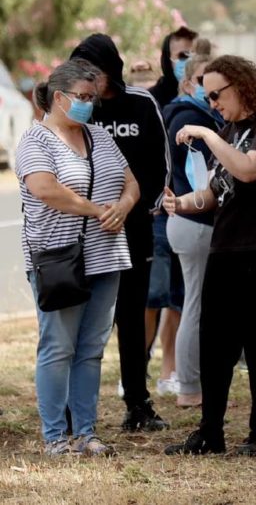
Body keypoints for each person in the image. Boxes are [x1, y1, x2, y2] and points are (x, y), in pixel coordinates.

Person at [163, 55, 256, 456]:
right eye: (208, 96)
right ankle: (210, 432)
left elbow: (249, 169)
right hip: (225, 247)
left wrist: (207, 134)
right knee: (216, 343)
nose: (214, 103)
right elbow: (216, 191)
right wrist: (183, 202)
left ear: (241, 85)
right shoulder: (230, 129)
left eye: (217, 94)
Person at [17, 60, 140, 456]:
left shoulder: (99, 136)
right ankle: (56, 436)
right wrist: (97, 210)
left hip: (106, 256)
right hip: (59, 260)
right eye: (83, 98)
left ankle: (87, 432)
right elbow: (45, 188)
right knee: (58, 347)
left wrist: (123, 205)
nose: (90, 105)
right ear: (59, 97)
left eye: (93, 98)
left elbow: (131, 183)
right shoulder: (35, 141)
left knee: (91, 349)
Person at [70, 33, 171, 432]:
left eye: (92, 70)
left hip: (134, 228)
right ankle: (72, 408)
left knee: (131, 318)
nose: (87, 78)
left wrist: (133, 209)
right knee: (83, 321)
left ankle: (138, 403)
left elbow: (160, 166)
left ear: (111, 68)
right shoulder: (78, 108)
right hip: (85, 230)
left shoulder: (142, 104)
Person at [162, 52, 222, 408]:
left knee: (195, 303)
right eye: (203, 82)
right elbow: (202, 179)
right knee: (195, 305)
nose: (210, 91)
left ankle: (191, 383)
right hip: (194, 219)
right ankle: (189, 387)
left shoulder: (191, 116)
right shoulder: (190, 121)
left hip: (187, 218)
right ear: (187, 83)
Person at [150, 26, 199, 108]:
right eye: (183, 55)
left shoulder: (208, 93)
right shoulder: (152, 99)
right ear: (167, 60)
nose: (191, 61)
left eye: (196, 55)